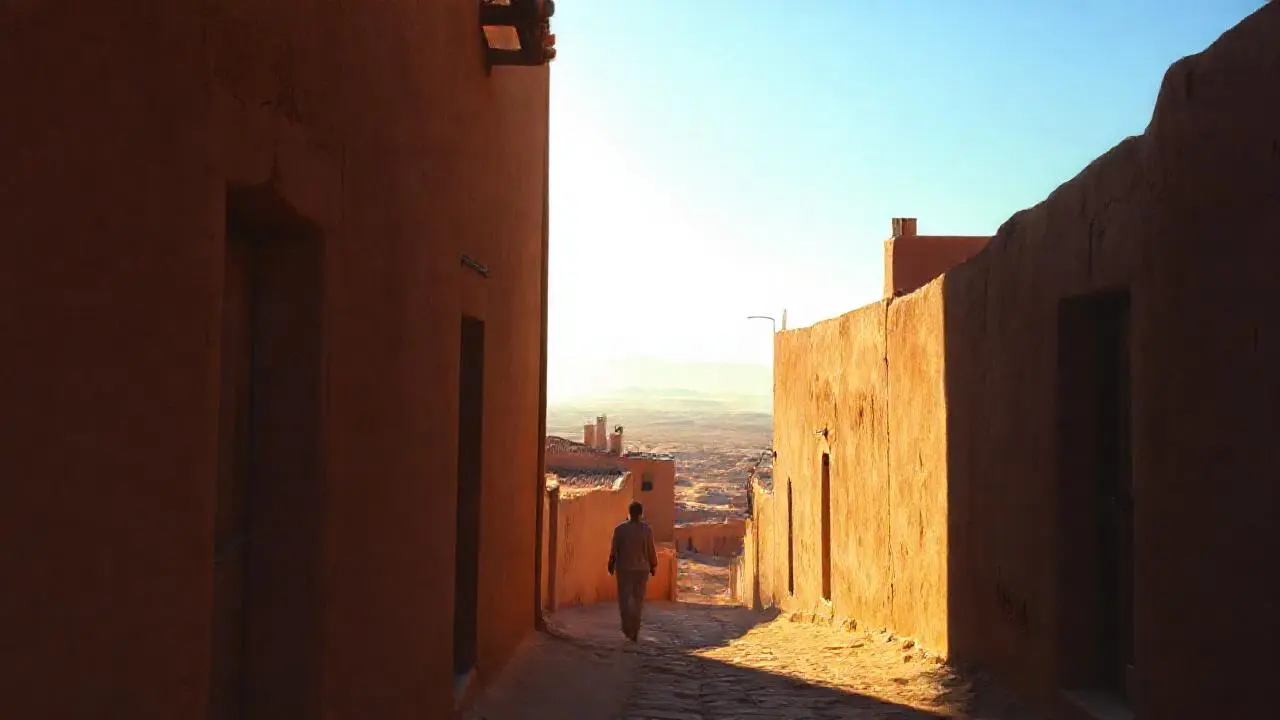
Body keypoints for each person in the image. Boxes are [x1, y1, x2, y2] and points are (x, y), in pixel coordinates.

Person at [607, 500, 658, 642]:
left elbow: (614, 550)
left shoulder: (620, 529)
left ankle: (627, 628)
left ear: (628, 513)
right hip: (641, 570)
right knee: (637, 600)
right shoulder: (646, 530)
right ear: (641, 514)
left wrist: (611, 563)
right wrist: (653, 565)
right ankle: (634, 629)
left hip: (624, 569)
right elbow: (650, 550)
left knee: (624, 600)